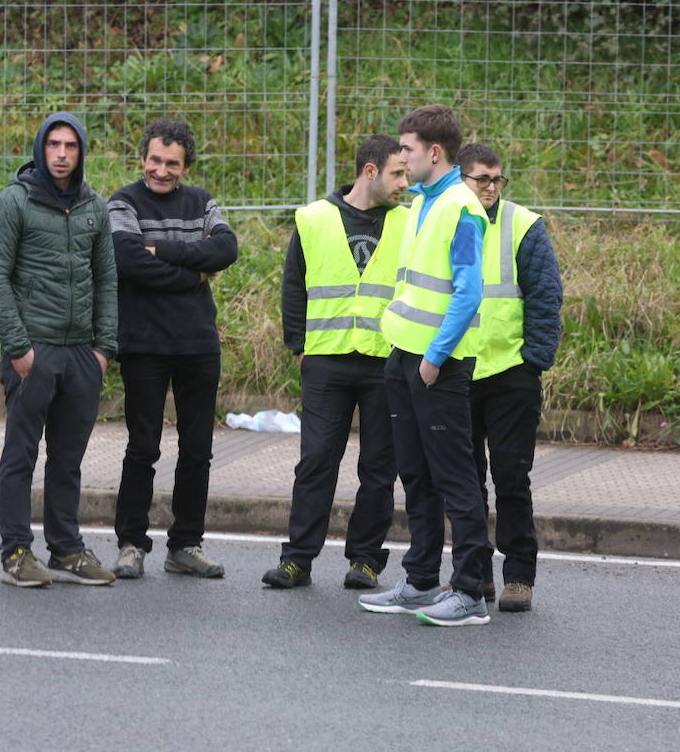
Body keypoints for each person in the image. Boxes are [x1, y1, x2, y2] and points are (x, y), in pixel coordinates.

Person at [358, 103, 492, 627]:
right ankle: (419, 581)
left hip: (439, 363)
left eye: (408, 149)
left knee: (455, 478)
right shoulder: (421, 203)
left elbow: (469, 291)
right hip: (405, 357)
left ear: (434, 152)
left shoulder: (460, 206)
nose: (401, 156)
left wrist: (435, 358)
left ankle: (469, 591)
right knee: (415, 474)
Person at [262, 135, 410, 590]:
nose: (405, 182)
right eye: (397, 173)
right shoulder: (314, 218)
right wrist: (299, 346)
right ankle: (297, 560)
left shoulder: (410, 221)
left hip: (386, 359)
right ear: (370, 171)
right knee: (316, 462)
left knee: (379, 467)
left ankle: (365, 561)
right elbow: (294, 284)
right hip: (326, 359)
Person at [0, 111, 118, 588]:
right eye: (54, 145)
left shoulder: (94, 207)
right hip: (33, 353)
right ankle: (16, 553)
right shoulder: (13, 202)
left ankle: (66, 550)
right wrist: (19, 348)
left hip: (82, 355)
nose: (61, 154)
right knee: (21, 455)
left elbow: (106, 279)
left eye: (71, 146)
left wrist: (103, 350)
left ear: (81, 152)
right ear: (41, 148)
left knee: (68, 459)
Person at [108, 118, 239, 579]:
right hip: (144, 344)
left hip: (198, 344)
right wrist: (191, 272)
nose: (162, 171)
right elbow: (125, 259)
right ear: (143, 158)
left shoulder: (202, 201)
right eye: (155, 161)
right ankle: (131, 544)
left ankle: (186, 544)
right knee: (142, 448)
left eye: (172, 163)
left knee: (198, 449)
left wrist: (157, 251)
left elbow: (226, 248)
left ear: (186, 166)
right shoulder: (123, 202)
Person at [458, 142, 563, 613]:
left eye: (497, 179)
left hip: (509, 373)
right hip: (457, 371)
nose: (491, 188)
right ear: (461, 178)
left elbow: (545, 296)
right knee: (465, 481)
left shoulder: (523, 225)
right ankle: (475, 573)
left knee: (511, 478)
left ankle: (519, 575)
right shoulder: (444, 219)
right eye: (482, 179)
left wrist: (533, 361)